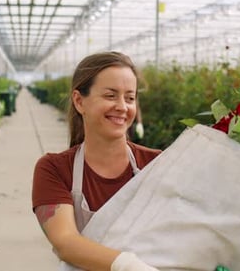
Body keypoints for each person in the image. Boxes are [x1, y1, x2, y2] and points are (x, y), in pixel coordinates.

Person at [31, 51, 162, 270]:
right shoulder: (55, 169)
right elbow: (66, 242)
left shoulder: (156, 164)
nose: (122, 106)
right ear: (79, 101)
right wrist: (128, 265)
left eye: (130, 98)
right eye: (110, 96)